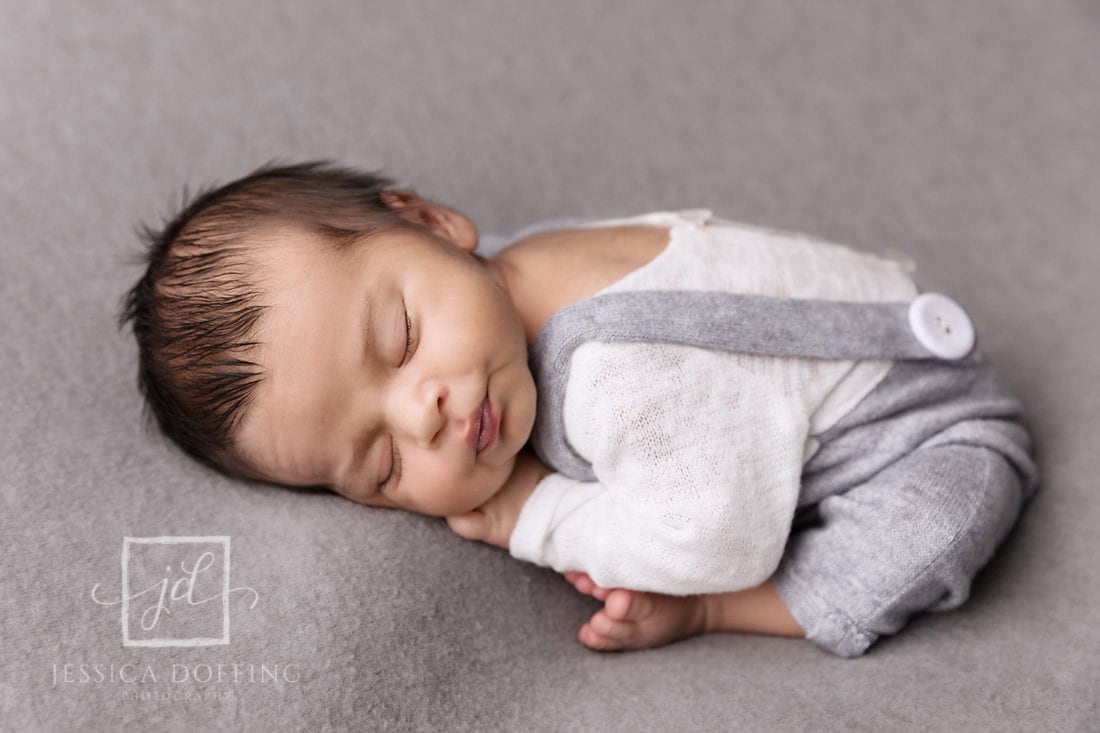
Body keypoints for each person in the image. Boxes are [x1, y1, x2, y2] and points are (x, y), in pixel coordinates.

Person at [122, 162, 1037, 658]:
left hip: (925, 427)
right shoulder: (509, 270)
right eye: (382, 465)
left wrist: (539, 514)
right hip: (872, 318)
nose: (423, 412)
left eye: (400, 340)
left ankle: (739, 616)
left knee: (933, 529)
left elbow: (718, 532)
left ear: (434, 222)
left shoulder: (611, 377)